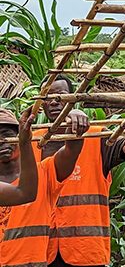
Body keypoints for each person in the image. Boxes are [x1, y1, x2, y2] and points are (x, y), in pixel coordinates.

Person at [34, 74, 125, 267]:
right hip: (42, 250)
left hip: (84, 250)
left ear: (73, 99)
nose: (55, 102)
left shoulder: (97, 137)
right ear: (41, 104)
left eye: (62, 96)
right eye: (49, 97)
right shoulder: (32, 141)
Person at [0, 105, 88, 267]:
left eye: (6, 135)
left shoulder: (45, 172)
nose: (1, 142)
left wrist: (76, 120)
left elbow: (71, 151)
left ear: (19, 138)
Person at [0, 108, 37, 207]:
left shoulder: (42, 170)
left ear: (18, 136)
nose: (1, 141)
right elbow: (25, 194)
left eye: (6, 134)